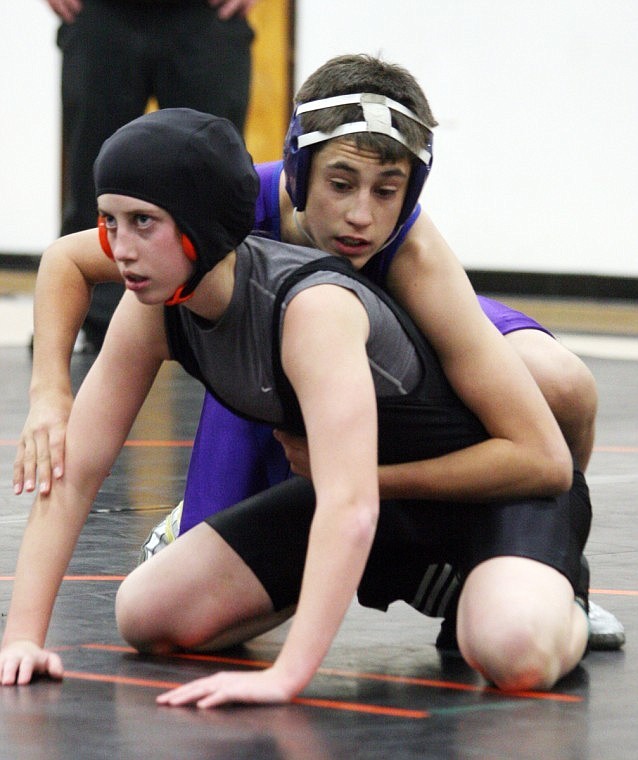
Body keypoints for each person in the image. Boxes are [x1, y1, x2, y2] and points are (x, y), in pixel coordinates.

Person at [13, 54, 623, 649]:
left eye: (387, 190)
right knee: (165, 608)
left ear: (409, 195)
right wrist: (49, 393)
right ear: (299, 173)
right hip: (277, 356)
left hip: (388, 347)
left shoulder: (411, 254)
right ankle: (248, 531)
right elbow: (70, 258)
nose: (361, 215)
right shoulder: (225, 205)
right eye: (339, 184)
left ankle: (553, 572)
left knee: (559, 382)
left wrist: (369, 480)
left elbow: (537, 451)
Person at [47, 0, 258, 351]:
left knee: (213, 179)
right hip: (102, 14)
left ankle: (217, 317)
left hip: (205, 16)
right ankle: (96, 327)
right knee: (92, 182)